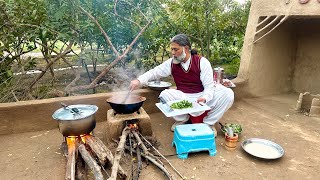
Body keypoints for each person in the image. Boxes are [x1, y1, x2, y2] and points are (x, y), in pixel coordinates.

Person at [129, 34, 234, 136]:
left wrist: (205, 98)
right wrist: (139, 80)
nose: (173, 53)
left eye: (176, 49)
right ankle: (182, 120)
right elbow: (154, 72)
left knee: (227, 94)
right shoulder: (171, 63)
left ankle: (209, 124)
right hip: (183, 96)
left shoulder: (202, 62)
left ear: (186, 48)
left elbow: (209, 87)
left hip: (202, 96)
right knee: (164, 95)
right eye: (172, 49)